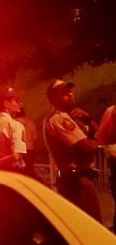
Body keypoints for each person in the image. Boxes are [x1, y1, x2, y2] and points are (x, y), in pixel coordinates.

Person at [44, 79, 109, 221]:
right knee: (92, 225)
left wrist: (89, 120)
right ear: (53, 99)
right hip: (75, 181)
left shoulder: (72, 118)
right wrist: (97, 142)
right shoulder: (59, 119)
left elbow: (100, 136)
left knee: (91, 224)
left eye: (70, 91)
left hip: (80, 178)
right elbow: (88, 147)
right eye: (64, 93)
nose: (70, 95)